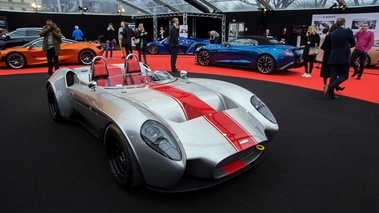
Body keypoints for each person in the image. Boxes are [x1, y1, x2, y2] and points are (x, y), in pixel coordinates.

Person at [327, 18, 356, 99]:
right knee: (344, 75)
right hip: (343, 56)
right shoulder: (348, 31)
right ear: (344, 23)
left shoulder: (332, 33)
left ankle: (331, 93)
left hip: (334, 56)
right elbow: (353, 43)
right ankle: (330, 87)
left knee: (333, 74)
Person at [320, 24, 344, 94]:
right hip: (328, 57)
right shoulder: (329, 36)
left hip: (335, 57)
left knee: (335, 72)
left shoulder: (339, 37)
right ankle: (325, 85)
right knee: (326, 72)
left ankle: (334, 85)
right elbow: (323, 46)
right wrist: (331, 51)